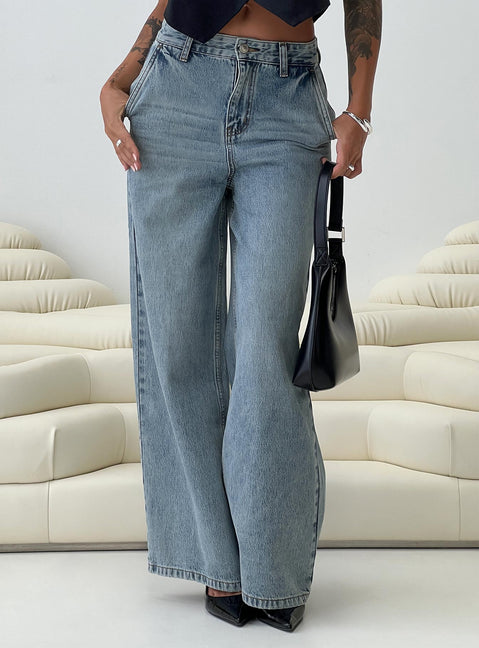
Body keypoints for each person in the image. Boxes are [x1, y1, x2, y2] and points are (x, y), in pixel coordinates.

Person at [99, 0, 381, 633]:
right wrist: (120, 78)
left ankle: (272, 567)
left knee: (265, 354)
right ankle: (217, 564)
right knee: (179, 347)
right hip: (175, 90)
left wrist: (359, 108)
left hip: (287, 95)